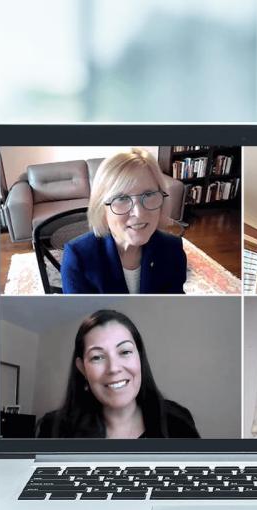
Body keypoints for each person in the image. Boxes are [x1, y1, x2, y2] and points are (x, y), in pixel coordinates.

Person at [37, 310, 200, 438]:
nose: (113, 368)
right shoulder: (54, 428)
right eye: (97, 357)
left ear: (139, 357)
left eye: (125, 352)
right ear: (82, 369)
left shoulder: (177, 420)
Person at [61, 148, 187, 294]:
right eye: (121, 198)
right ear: (101, 207)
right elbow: (80, 316)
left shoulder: (172, 249)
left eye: (149, 194)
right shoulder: (78, 258)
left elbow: (173, 309)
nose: (139, 213)